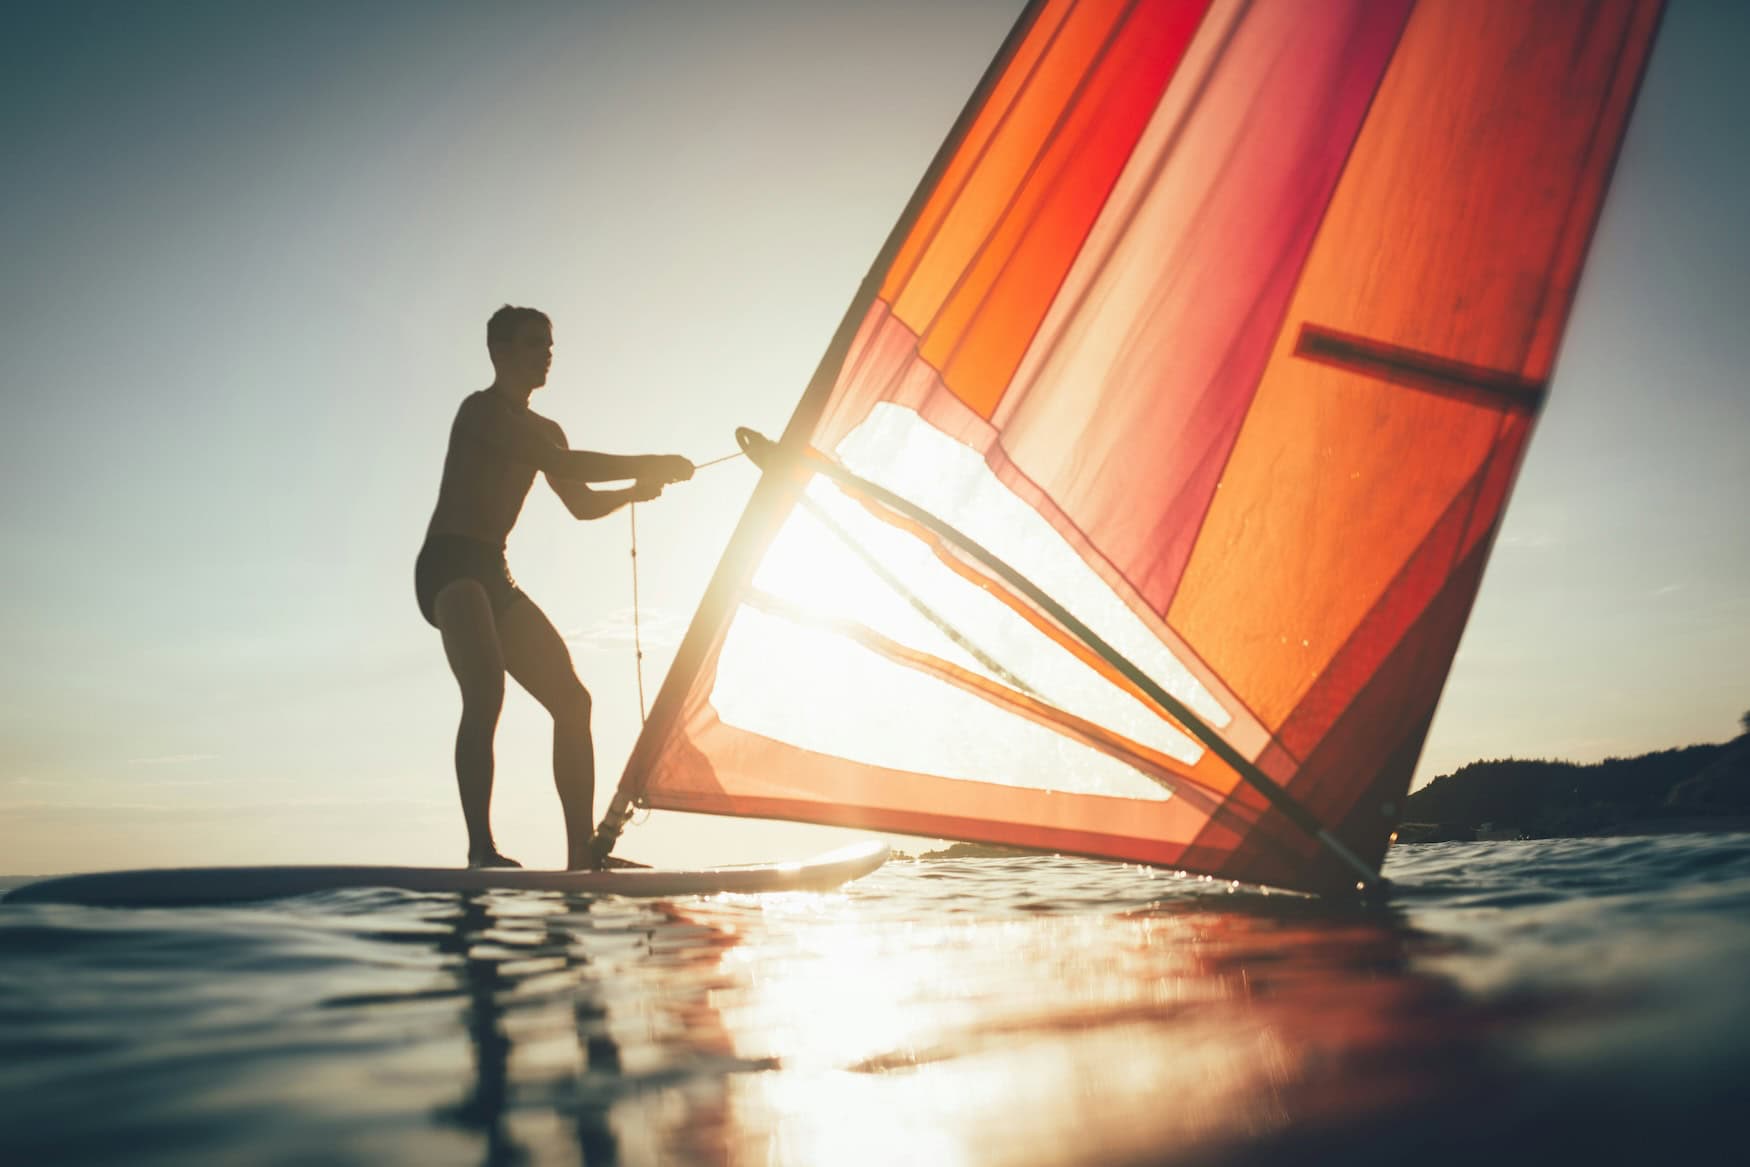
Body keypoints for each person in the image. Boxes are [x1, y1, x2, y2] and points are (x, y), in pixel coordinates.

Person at [416, 305, 692, 869]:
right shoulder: (481, 412)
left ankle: (580, 854)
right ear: (498, 352)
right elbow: (561, 461)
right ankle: (480, 850)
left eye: (549, 345)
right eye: (531, 344)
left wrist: (636, 491)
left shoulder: (546, 428)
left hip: (494, 571)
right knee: (487, 692)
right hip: (449, 568)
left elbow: (580, 502)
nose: (545, 354)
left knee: (573, 700)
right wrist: (653, 459)